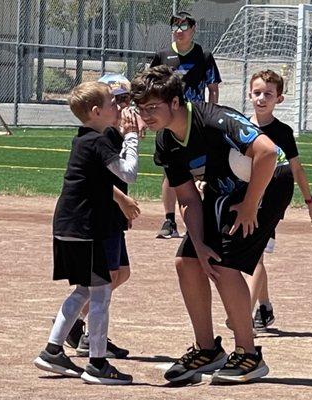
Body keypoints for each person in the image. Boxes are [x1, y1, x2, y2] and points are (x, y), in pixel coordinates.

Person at [131, 65, 294, 384]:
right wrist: (200, 244)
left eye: (153, 107)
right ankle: (207, 349)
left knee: (226, 265)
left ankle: (249, 354)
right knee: (188, 261)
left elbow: (268, 152)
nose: (146, 114)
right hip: (224, 188)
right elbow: (189, 199)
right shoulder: (166, 141)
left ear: (175, 102)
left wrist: (250, 206)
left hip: (269, 184)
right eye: (141, 108)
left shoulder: (215, 119)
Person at [34, 81, 141, 385]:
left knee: (84, 289)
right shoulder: (97, 142)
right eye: (112, 103)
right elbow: (128, 172)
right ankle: (96, 363)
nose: (118, 107)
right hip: (85, 228)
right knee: (100, 293)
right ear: (97, 111)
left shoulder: (84, 140)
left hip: (68, 225)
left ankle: (54, 350)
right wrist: (132, 137)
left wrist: (123, 133)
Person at [72, 73, 144, 359]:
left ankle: (76, 324)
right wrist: (123, 200)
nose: (125, 106)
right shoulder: (105, 135)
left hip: (111, 213)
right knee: (104, 277)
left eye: (128, 99)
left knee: (120, 273)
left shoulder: (115, 132)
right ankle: (80, 329)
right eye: (119, 100)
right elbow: (98, 178)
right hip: (101, 214)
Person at [246, 69, 312, 331]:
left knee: (254, 258)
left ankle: (243, 315)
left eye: (268, 94)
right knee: (254, 257)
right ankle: (264, 308)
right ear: (249, 94)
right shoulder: (241, 127)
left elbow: (297, 169)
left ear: (279, 99)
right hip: (246, 200)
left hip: (272, 203)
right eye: (257, 93)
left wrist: (309, 203)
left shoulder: (283, 132)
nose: (262, 98)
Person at [150, 11, 222, 239]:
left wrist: (211, 115)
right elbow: (149, 85)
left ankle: (207, 218)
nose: (179, 31)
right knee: (170, 171)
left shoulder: (204, 55)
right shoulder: (162, 55)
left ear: (193, 29)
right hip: (169, 121)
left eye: (183, 26)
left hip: (197, 120)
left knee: (204, 169)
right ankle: (169, 220)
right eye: (175, 26)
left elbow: (212, 88)